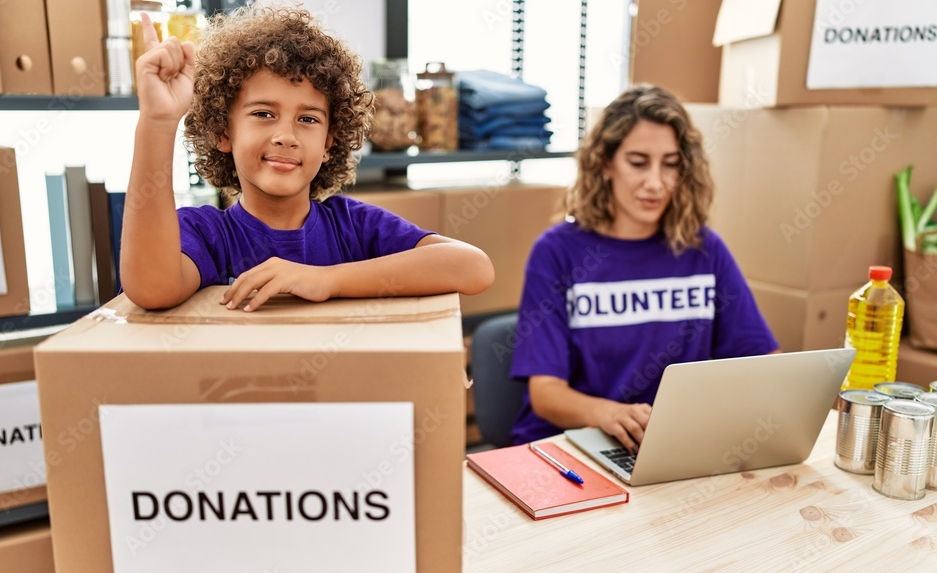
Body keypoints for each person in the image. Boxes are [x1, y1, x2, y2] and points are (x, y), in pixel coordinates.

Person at [120, 5, 494, 311]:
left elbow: (473, 268)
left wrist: (324, 280)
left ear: (330, 142)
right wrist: (157, 120)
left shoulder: (354, 226)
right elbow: (152, 289)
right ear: (223, 133)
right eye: (263, 114)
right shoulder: (207, 233)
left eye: (308, 119)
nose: (286, 136)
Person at [510, 84, 779, 450]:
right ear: (605, 163)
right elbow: (545, 394)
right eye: (638, 163)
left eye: (670, 165)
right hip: (574, 447)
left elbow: (763, 364)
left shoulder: (703, 250)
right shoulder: (557, 252)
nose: (656, 183)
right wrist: (608, 414)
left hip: (670, 445)